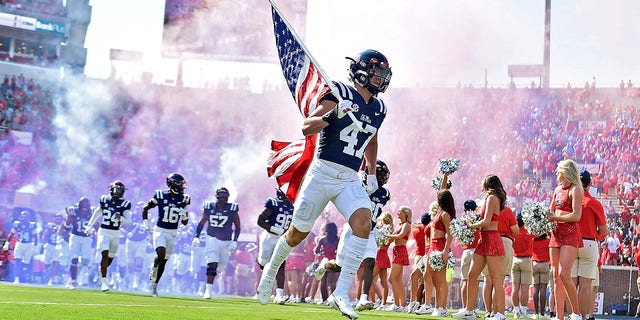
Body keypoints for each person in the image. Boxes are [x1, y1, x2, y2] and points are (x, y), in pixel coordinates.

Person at [256, 49, 392, 320]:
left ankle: (341, 293)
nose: (379, 80)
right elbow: (307, 127)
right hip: (323, 173)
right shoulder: (339, 93)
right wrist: (332, 115)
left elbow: (372, 140)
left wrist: (372, 172)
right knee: (297, 233)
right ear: (362, 71)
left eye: (382, 76)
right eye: (376, 74)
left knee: (363, 223)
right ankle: (270, 272)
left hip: (349, 177)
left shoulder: (379, 108)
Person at [314, 160, 392, 311]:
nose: (381, 177)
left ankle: (364, 298)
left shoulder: (385, 193)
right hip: (352, 230)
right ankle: (325, 264)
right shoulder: (358, 187)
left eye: (383, 174)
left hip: (370, 232)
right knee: (339, 267)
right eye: (379, 174)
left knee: (370, 262)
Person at [454, 174, 507, 320]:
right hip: (484, 240)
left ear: (488, 184)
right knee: (472, 275)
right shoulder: (490, 198)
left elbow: (486, 220)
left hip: (491, 238)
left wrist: (470, 225)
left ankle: (501, 314)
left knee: (496, 278)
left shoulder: (491, 198)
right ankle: (469, 310)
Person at [142, 173, 191, 297]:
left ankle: (154, 285)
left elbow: (185, 223)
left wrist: (184, 215)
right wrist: (146, 222)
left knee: (164, 260)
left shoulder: (184, 199)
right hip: (160, 230)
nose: (182, 187)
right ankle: (153, 266)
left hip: (173, 232)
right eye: (179, 184)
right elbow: (145, 208)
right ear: (172, 183)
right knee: (161, 254)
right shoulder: (160, 195)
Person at [549, 159, 584, 320]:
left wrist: (554, 218)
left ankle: (576, 314)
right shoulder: (557, 189)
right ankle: (559, 316)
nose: (556, 173)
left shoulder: (576, 189)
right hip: (556, 234)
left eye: (558, 170)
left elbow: (576, 216)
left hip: (570, 233)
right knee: (556, 275)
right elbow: (551, 211)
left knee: (564, 274)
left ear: (565, 171)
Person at [192, 186, 241, 299]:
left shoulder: (232, 209)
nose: (222, 199)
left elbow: (237, 226)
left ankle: (209, 285)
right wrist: (196, 236)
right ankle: (208, 291)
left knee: (221, 268)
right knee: (212, 263)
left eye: (224, 197)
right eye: (221, 197)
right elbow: (202, 223)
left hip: (226, 241)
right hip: (212, 238)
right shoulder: (209, 207)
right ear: (217, 197)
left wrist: (234, 240)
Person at [572, 170, 608, 320]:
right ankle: (583, 317)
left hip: (572, 243)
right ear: (589, 184)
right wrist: (594, 234)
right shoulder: (594, 203)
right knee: (586, 286)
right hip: (589, 243)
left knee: (572, 285)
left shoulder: (571, 201)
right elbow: (604, 231)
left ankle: (573, 315)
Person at [86, 180, 132, 292]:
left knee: (110, 257)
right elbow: (97, 213)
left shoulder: (125, 204)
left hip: (115, 233)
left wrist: (120, 217)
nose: (117, 192)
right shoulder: (104, 199)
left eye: (119, 190)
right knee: (104, 254)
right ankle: (104, 282)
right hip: (104, 231)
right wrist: (89, 225)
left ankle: (101, 272)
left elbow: (128, 223)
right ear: (111, 190)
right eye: (115, 189)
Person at [256, 188, 294, 304]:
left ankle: (279, 295)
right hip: (269, 237)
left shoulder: (293, 207)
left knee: (281, 265)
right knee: (264, 265)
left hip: (282, 238)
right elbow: (260, 220)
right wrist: (272, 228)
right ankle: (264, 286)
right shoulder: (273, 204)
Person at [426, 175, 456, 317]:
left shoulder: (445, 214)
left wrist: (445, 252)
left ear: (441, 200)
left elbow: (450, 234)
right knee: (431, 277)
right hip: (432, 246)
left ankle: (442, 307)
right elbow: (441, 189)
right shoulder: (439, 211)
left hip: (440, 246)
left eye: (439, 197)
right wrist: (445, 174)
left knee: (440, 279)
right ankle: (437, 306)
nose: (436, 197)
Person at [456, 200, 480, 318]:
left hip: (465, 251)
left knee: (464, 280)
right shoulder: (476, 217)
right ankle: (471, 309)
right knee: (473, 281)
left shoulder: (461, 219)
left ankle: (465, 307)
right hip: (476, 250)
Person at [385, 206, 412, 312]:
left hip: (400, 251)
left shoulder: (406, 225)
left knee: (391, 278)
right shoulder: (400, 224)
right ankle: (402, 305)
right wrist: (386, 240)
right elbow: (394, 237)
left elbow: (400, 236)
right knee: (398, 280)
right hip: (396, 250)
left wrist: (388, 235)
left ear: (405, 213)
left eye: (400, 212)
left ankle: (396, 304)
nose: (398, 213)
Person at [65, 197, 95, 289]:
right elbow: (66, 227)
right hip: (75, 237)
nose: (85, 206)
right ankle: (73, 281)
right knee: (74, 259)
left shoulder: (92, 212)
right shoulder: (74, 211)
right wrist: (69, 218)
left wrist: (93, 228)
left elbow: (97, 226)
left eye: (86, 203)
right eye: (83, 203)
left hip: (86, 238)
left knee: (85, 262)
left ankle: (74, 273)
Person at [3, 210, 39, 284]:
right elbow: (11, 234)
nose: (24, 217)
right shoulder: (17, 224)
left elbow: (35, 236)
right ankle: (17, 278)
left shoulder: (32, 225)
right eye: (23, 215)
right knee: (17, 260)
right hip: (19, 243)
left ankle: (28, 277)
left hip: (29, 244)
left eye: (25, 215)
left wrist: (36, 246)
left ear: (28, 217)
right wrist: (7, 243)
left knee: (27, 262)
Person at [406, 212, 432, 314]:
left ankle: (428, 305)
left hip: (430, 255)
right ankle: (416, 302)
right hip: (425, 256)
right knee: (419, 280)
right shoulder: (427, 228)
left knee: (427, 282)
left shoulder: (419, 229)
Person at [511, 213, 534, 319]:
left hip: (514, 260)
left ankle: (516, 311)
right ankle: (523, 311)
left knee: (515, 288)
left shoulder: (513, 232)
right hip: (526, 260)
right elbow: (542, 233)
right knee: (525, 288)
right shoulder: (528, 231)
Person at [531, 233, 551, 319]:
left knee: (536, 289)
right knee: (543, 289)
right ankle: (542, 314)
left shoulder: (532, 241)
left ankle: (536, 313)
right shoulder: (548, 241)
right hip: (545, 264)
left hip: (534, 263)